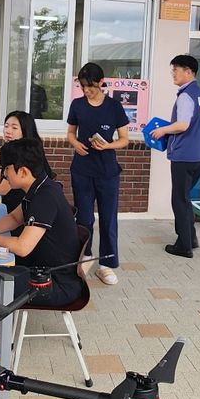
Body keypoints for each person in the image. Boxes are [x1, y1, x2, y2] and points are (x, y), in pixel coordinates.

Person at [0, 138, 82, 311]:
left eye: (7, 169)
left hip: (54, 281)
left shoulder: (45, 197)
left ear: (23, 171)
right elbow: (15, 218)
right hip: (41, 267)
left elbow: (23, 247)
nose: (5, 174)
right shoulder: (39, 187)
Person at [66, 62, 129, 285]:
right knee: (83, 218)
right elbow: (71, 133)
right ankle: (85, 257)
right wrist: (75, 144)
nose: (86, 91)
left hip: (108, 172)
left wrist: (108, 146)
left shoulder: (114, 107)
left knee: (108, 218)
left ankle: (107, 265)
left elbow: (124, 139)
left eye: (90, 86)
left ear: (101, 82)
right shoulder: (77, 105)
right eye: (83, 86)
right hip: (82, 170)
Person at [150, 54, 200, 258]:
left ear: (188, 72)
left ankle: (184, 246)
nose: (173, 74)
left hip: (184, 156)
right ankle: (190, 237)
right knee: (185, 197)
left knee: (179, 200)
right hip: (199, 155)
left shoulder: (186, 96)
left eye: (176, 70)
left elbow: (183, 124)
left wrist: (163, 130)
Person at [0, 109, 54, 219]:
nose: (8, 131)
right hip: (10, 207)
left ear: (25, 130)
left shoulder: (26, 154)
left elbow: (3, 189)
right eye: (6, 126)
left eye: (14, 128)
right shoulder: (11, 149)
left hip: (20, 209)